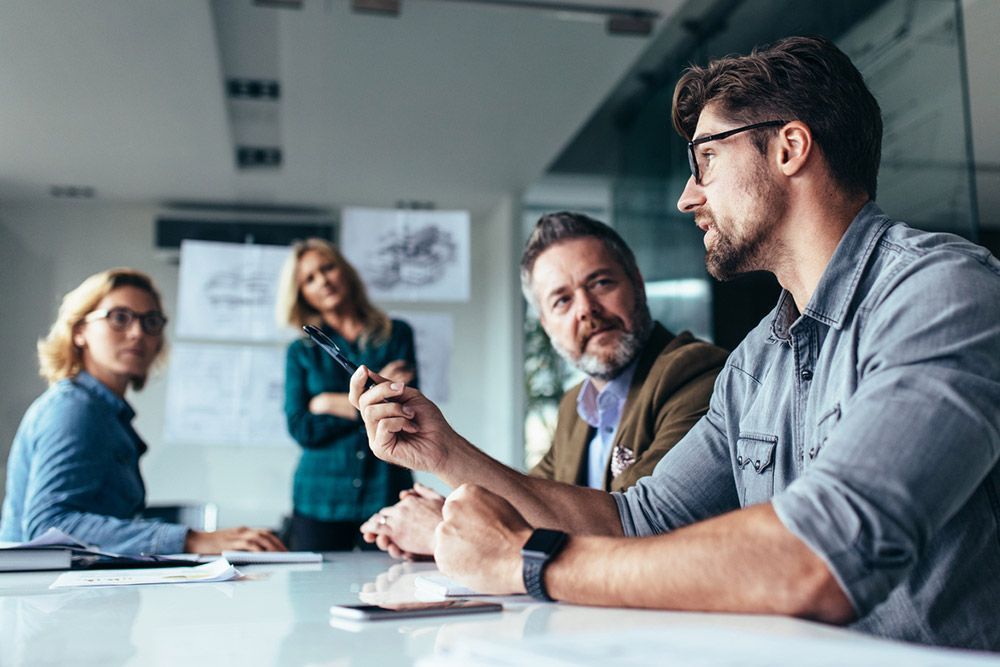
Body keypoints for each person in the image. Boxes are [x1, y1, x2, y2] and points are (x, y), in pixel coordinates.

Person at [348, 35, 1000, 651]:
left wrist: (528, 562)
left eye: (707, 158)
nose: (690, 197)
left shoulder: (940, 292)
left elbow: (819, 557)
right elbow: (635, 518)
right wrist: (445, 449)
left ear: (790, 147)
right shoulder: (757, 362)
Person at [360, 212, 727, 559]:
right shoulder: (575, 406)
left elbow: (633, 528)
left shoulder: (695, 373)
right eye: (562, 300)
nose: (585, 309)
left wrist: (443, 528)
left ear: (637, 283)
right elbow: (529, 504)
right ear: (546, 324)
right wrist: (453, 511)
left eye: (600, 283)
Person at [0, 268, 285, 554]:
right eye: (119, 318)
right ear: (79, 331)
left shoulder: (106, 413)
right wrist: (191, 539)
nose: (137, 333)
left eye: (151, 322)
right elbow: (49, 526)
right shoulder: (74, 409)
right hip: (45, 595)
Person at [277, 238, 417, 551]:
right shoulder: (301, 352)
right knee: (312, 596)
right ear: (301, 294)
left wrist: (327, 403)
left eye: (327, 268)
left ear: (345, 272)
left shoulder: (397, 335)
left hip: (385, 491)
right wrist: (369, 404)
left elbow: (402, 410)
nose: (323, 280)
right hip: (319, 498)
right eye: (309, 279)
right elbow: (301, 427)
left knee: (391, 588)